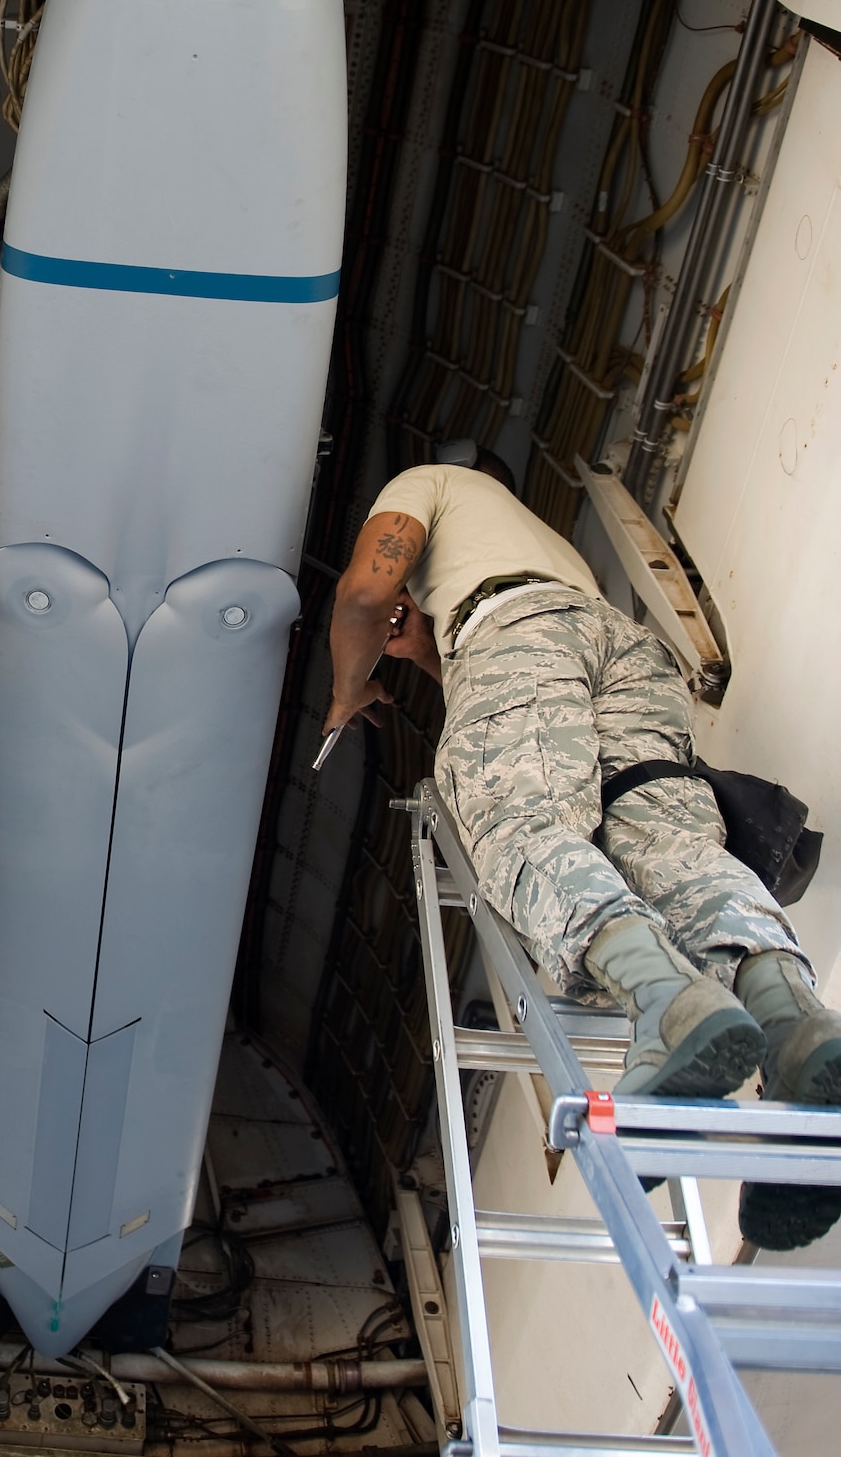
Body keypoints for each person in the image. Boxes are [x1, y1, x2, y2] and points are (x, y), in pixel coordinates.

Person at [325, 444, 841, 1252]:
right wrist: (425, 649)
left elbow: (362, 592)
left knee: (518, 821)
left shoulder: (426, 486)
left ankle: (668, 1011)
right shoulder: (544, 548)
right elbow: (531, 686)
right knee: (667, 845)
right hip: (629, 657)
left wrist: (346, 688)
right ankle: (793, 1024)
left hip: (521, 639)